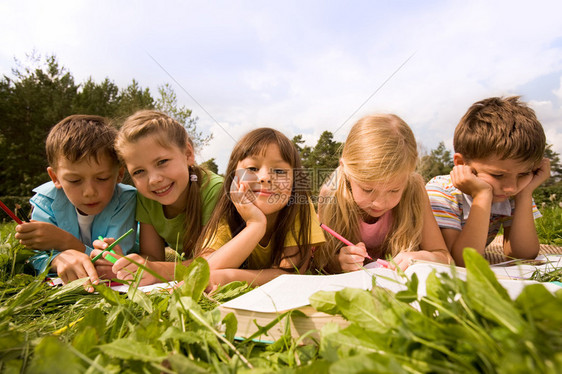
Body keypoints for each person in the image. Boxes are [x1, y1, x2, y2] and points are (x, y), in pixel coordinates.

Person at [94, 110, 223, 284]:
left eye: (162, 162)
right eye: (139, 172)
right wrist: (123, 264)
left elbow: (214, 262)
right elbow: (153, 256)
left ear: (188, 154)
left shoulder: (215, 190)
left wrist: (156, 270)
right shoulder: (147, 198)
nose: (154, 180)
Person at [314, 114, 451, 273]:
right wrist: (339, 262)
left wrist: (424, 257)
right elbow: (321, 261)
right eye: (368, 189)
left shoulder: (414, 189)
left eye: (394, 190)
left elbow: (445, 258)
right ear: (346, 171)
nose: (379, 203)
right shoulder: (331, 194)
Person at [15, 115, 137, 291]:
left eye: (102, 178)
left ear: (119, 174)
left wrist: (66, 243)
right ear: (55, 178)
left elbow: (113, 261)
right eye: (74, 180)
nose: (89, 192)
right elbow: (34, 257)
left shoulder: (126, 199)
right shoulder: (45, 201)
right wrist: (57, 260)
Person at [425, 96, 550, 266]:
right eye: (497, 175)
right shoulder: (441, 191)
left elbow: (523, 255)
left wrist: (525, 194)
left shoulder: (514, 191)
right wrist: (482, 196)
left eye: (523, 174)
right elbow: (460, 261)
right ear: (462, 164)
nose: (511, 187)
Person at [194, 127, 326, 287]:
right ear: (233, 178)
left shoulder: (300, 209)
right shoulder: (227, 213)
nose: (265, 178)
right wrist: (255, 225)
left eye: (279, 170)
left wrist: (228, 277)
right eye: (252, 169)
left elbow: (291, 274)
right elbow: (202, 272)